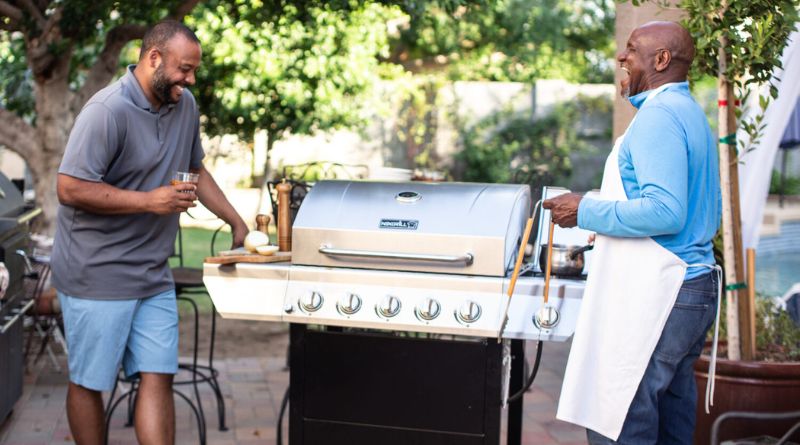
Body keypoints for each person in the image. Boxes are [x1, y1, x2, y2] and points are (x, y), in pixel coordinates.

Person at [51, 20, 248, 445]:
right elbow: (68, 188)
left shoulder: (185, 105)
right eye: (184, 69)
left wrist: (235, 219)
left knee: (158, 375)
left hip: (151, 273)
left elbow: (194, 166)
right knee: (90, 382)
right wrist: (148, 201)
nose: (190, 79)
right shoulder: (107, 111)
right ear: (153, 58)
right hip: (96, 273)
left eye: (194, 70)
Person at [546, 21, 721, 444]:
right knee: (670, 420)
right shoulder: (687, 112)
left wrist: (585, 210)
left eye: (631, 50)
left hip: (662, 291)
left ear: (661, 60)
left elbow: (666, 211)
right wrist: (597, 208)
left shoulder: (659, 116)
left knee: (624, 415)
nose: (622, 58)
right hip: (690, 288)